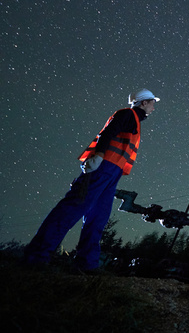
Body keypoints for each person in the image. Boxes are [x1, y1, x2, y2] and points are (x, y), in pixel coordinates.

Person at [23, 88, 160, 271]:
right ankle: (35, 259)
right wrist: (99, 155)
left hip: (112, 174)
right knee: (71, 209)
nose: (154, 107)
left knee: (98, 218)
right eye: (152, 102)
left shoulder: (134, 120)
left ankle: (87, 265)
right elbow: (108, 132)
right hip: (102, 168)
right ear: (144, 102)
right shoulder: (126, 114)